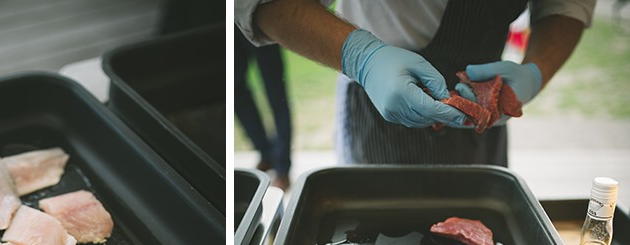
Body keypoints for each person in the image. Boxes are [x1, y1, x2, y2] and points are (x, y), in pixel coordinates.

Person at [235, 0, 595, 166]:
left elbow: (567, 5)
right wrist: (363, 57)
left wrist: (535, 71)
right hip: (378, 112)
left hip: (483, 116)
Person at [235, 24, 293, 190]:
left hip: (258, 16)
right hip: (229, 21)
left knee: (276, 92)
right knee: (234, 87)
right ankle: (265, 152)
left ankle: (282, 167)